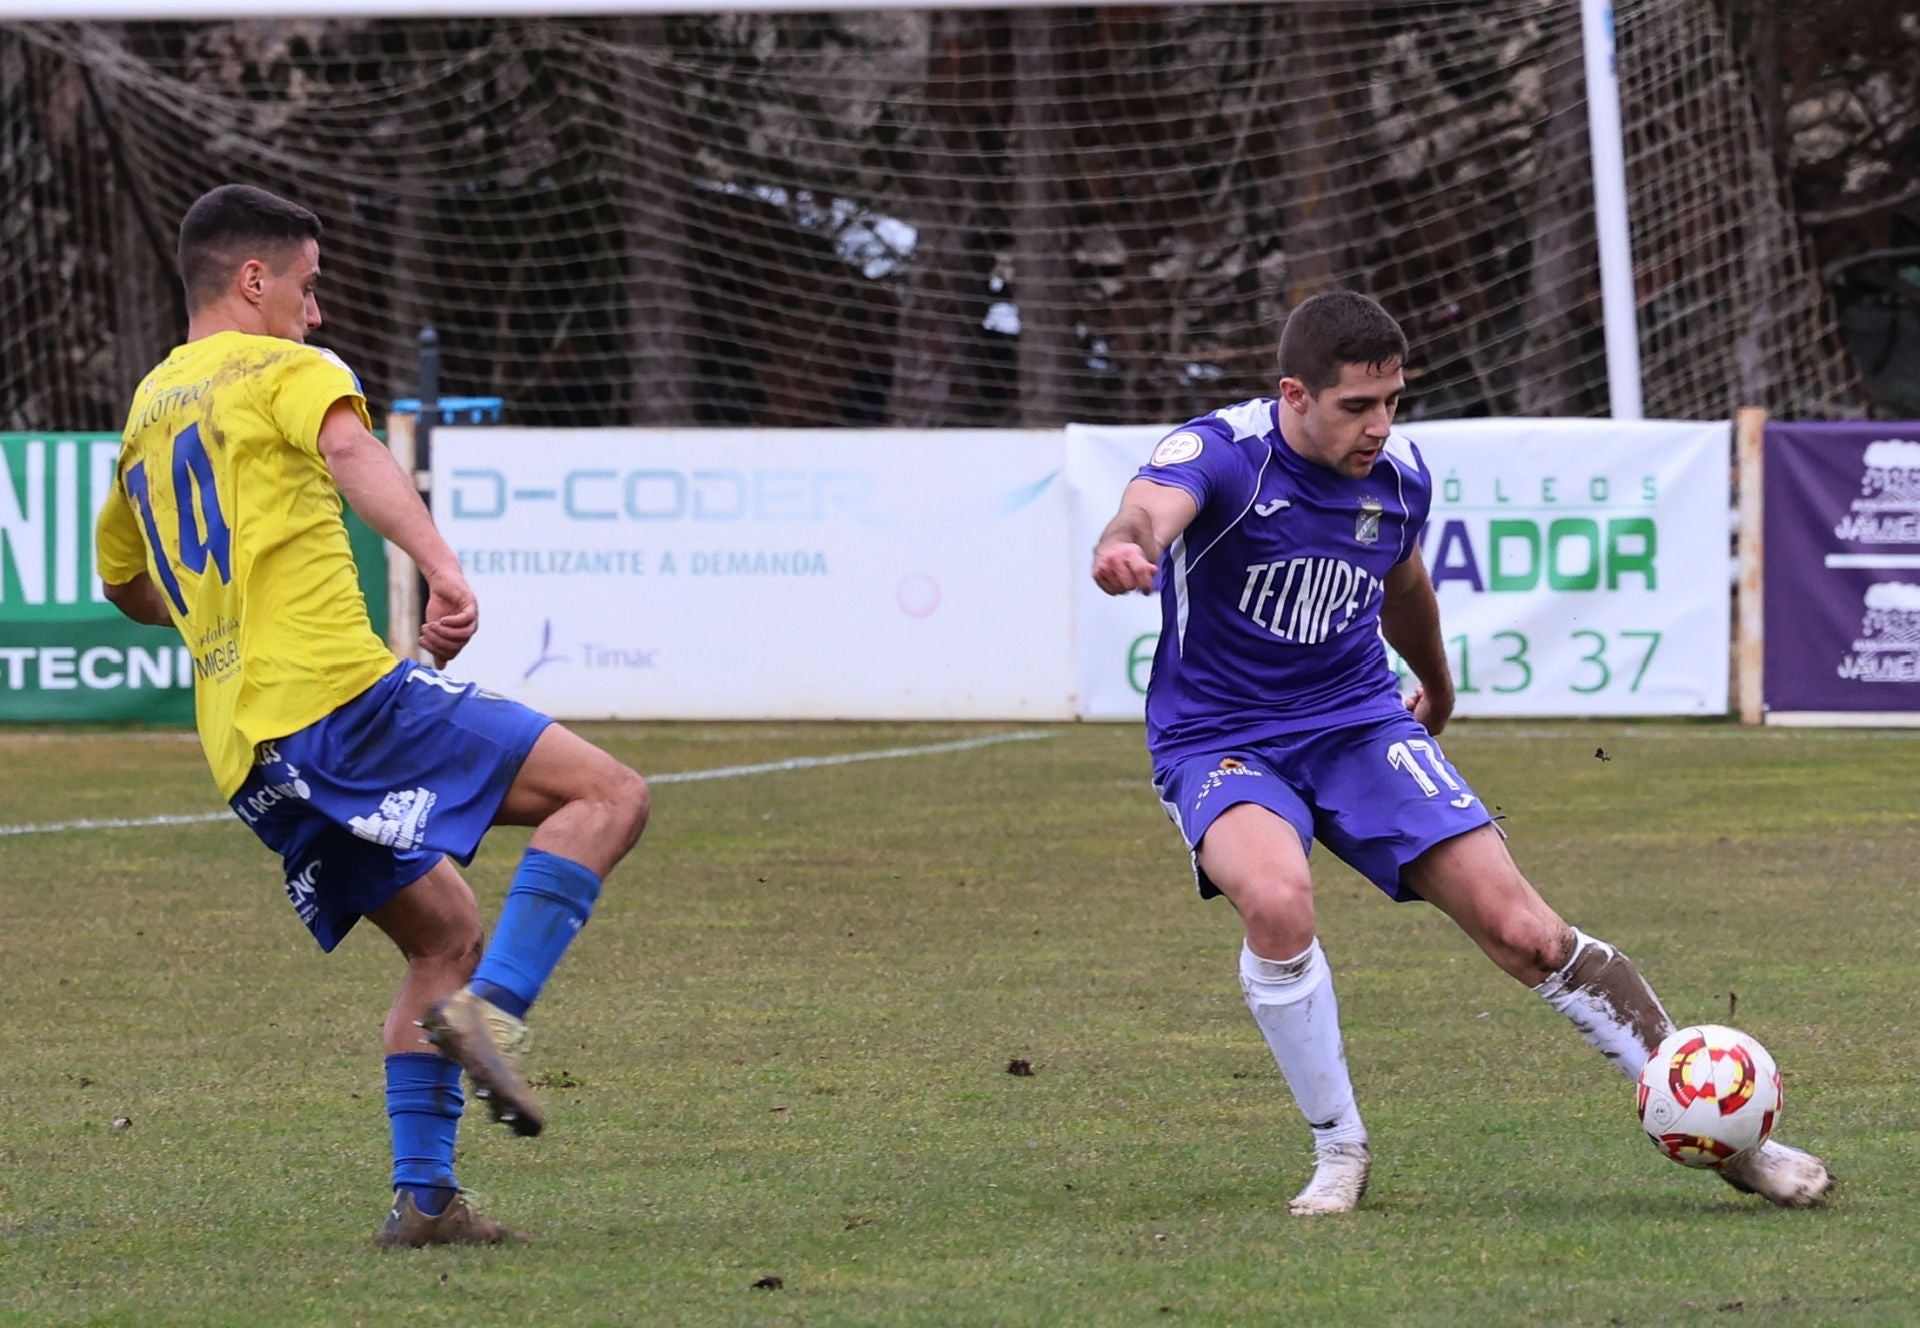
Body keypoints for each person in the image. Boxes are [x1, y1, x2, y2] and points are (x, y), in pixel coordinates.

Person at [1090, 290, 1832, 1215]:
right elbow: (1146, 510)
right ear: (1294, 394)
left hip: (1358, 719)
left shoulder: (1398, 477)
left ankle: (1723, 1135)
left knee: (1529, 933)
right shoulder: (1221, 455)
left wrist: (1436, 687)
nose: (1380, 424)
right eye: (1357, 405)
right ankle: (1340, 1146)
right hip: (1222, 736)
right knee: (1278, 898)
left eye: (1393, 400)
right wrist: (1126, 549)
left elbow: (1402, 585)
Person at [96, 184, 650, 1247]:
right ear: (253, 280)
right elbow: (352, 454)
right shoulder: (291, 372)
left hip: (249, 754)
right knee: (609, 794)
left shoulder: (145, 413)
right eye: (306, 286)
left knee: (442, 931)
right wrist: (443, 569)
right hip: (340, 696)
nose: (316, 310)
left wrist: (221, 615)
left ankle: (425, 1200)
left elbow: (122, 580)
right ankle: (494, 1014)